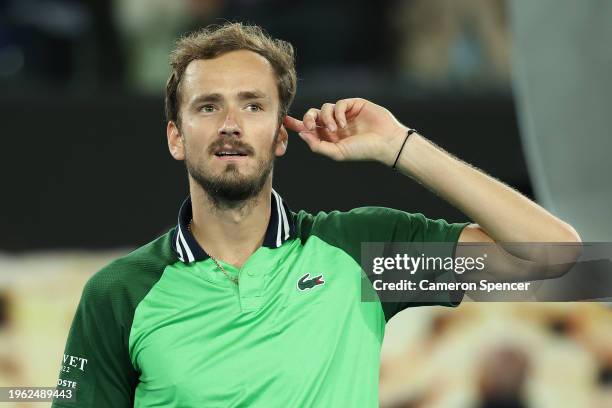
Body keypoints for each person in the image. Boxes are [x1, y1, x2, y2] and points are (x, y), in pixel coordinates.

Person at [51, 22, 581, 407]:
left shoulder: (361, 251)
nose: (231, 124)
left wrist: (400, 145)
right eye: (208, 106)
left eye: (253, 105)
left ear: (281, 135)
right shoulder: (119, 294)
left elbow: (552, 257)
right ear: (175, 135)